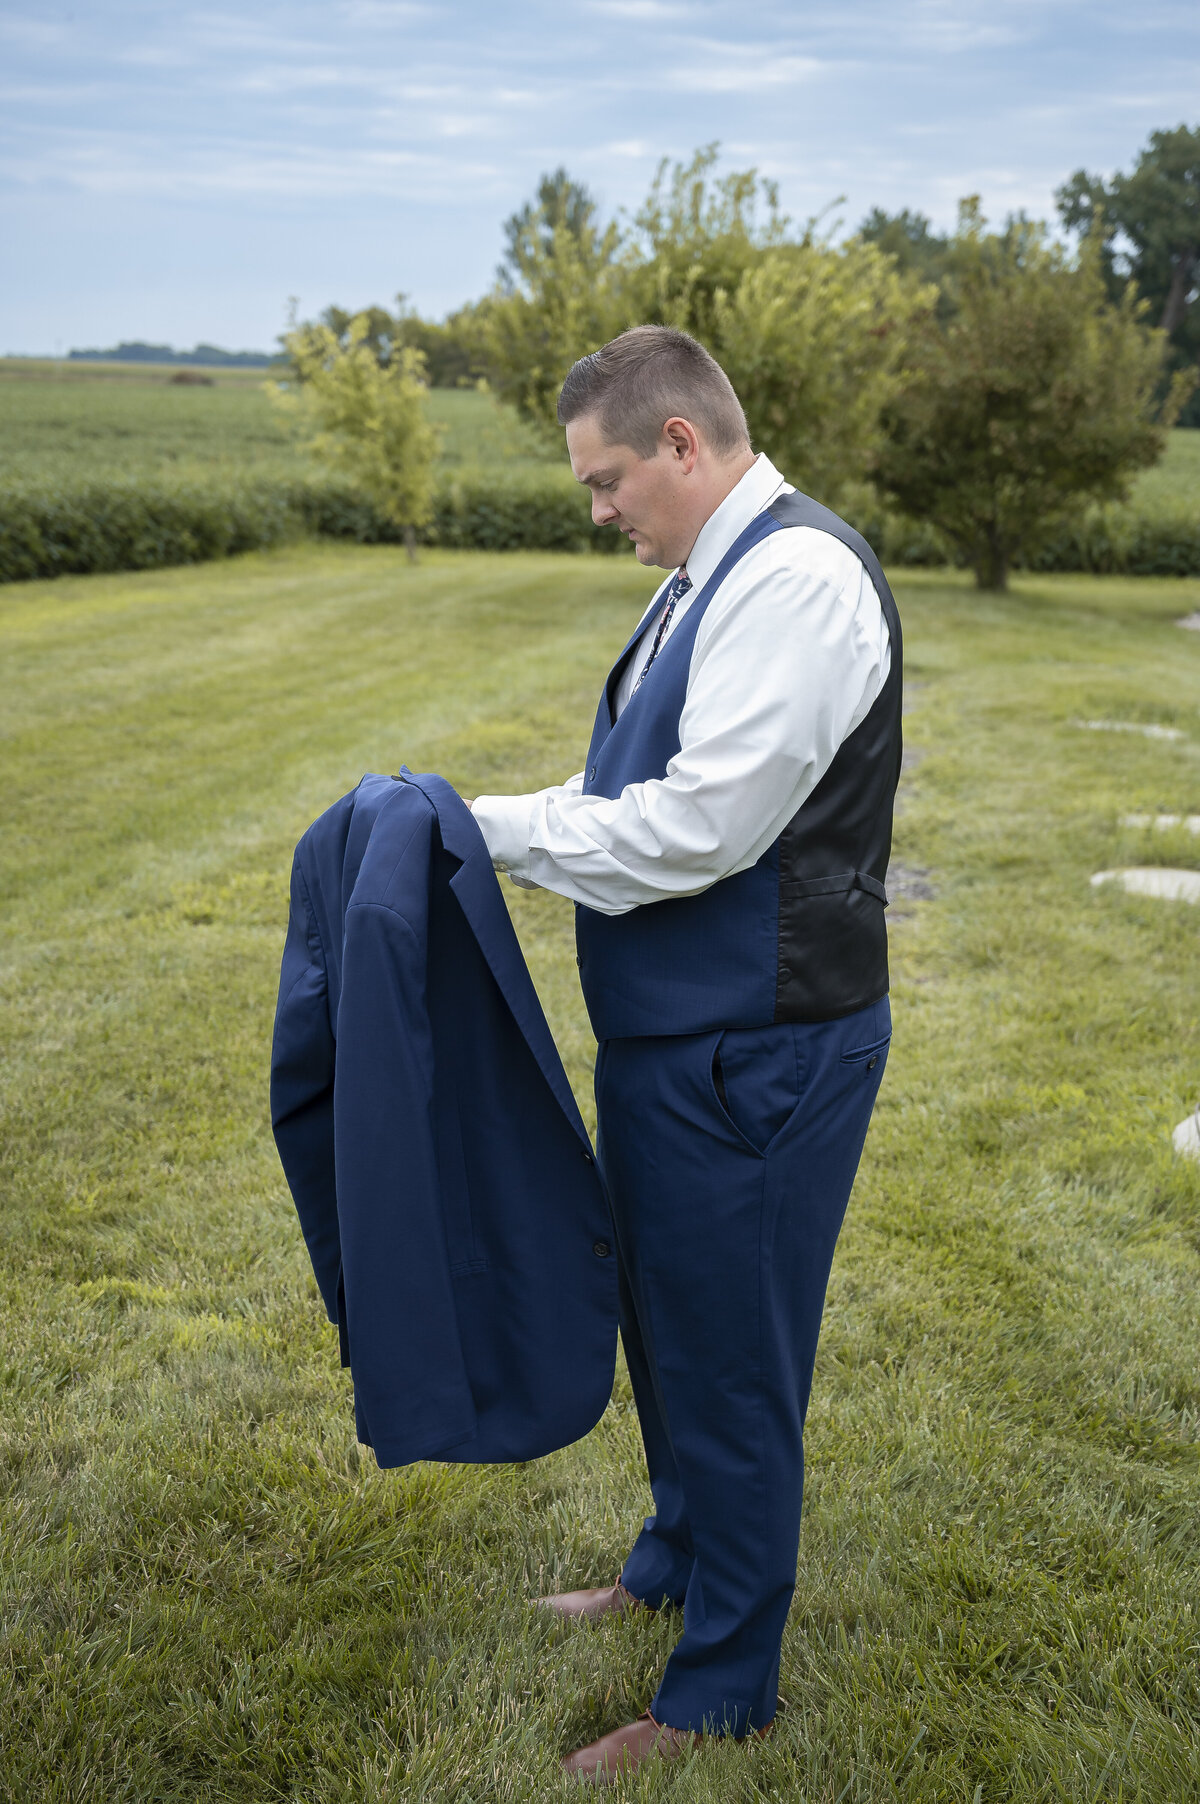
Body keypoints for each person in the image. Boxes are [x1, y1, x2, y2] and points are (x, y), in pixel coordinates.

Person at [470, 325, 901, 1784]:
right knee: (665, 1327)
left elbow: (701, 827)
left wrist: (484, 830)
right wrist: (493, 817)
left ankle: (722, 1691)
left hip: (759, 1052)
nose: (600, 511)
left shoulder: (794, 580)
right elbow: (626, 783)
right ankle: (670, 1565)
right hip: (680, 1039)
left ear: (680, 443)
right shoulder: (702, 578)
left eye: (607, 481)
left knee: (732, 1362)